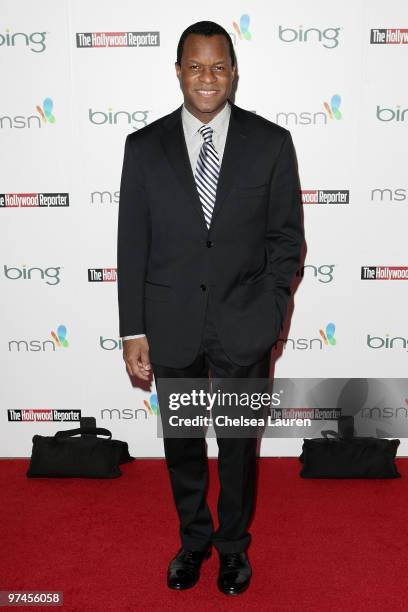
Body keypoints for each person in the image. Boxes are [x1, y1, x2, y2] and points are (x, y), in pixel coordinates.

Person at [117, 20, 304, 596]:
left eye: (218, 67)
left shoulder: (270, 144)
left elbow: (286, 241)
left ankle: (233, 548)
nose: (207, 78)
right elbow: (133, 243)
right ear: (177, 71)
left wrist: (273, 312)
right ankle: (193, 542)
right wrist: (133, 330)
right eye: (195, 66)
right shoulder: (143, 148)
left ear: (234, 75)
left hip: (246, 321)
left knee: (240, 448)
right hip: (170, 324)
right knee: (182, 444)